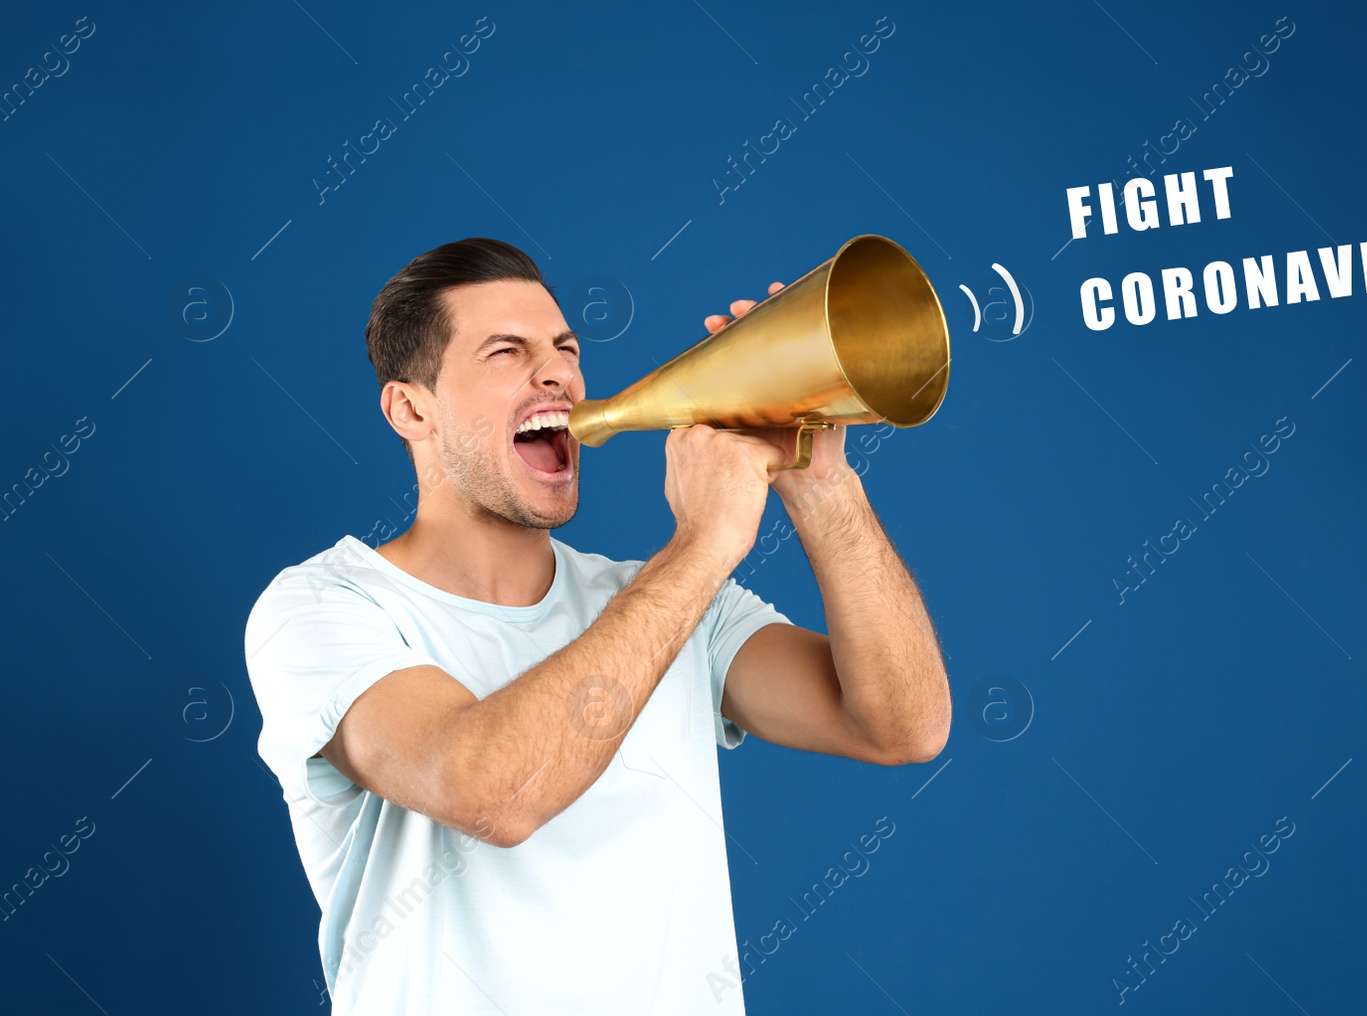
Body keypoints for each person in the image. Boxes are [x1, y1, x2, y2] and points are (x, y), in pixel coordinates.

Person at [243, 237, 950, 1014]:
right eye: (506, 352)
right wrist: (702, 545)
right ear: (411, 409)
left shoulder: (676, 600)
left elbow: (902, 726)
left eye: (565, 349)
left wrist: (821, 480)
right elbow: (493, 792)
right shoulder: (322, 607)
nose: (557, 373)